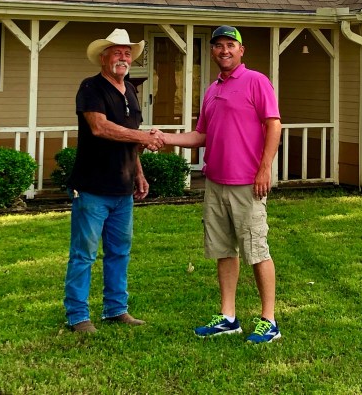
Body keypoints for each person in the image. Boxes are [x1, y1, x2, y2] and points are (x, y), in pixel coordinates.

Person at [159, 25, 283, 344]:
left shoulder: (256, 81)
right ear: (212, 51)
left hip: (248, 184)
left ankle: (269, 321)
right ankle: (228, 317)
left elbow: (274, 125)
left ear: (241, 50)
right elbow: (201, 135)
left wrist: (264, 169)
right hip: (215, 183)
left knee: (257, 250)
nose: (224, 50)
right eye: (218, 46)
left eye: (230, 44)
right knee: (224, 250)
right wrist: (165, 138)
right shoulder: (212, 90)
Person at [63, 28, 163, 334]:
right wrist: (143, 137)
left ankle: (116, 309)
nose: (123, 58)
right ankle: (78, 316)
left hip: (122, 189)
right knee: (84, 254)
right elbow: (100, 127)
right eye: (117, 52)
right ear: (103, 58)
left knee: (120, 252)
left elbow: (128, 138)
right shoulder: (90, 87)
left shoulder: (130, 90)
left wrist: (139, 173)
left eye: (128, 53)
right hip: (92, 187)